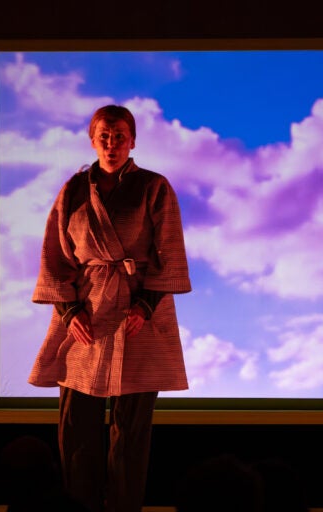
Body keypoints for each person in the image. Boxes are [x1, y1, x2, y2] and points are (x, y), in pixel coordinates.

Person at [29, 104, 192, 512]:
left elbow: (168, 253)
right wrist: (69, 312)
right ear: (92, 140)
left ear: (133, 140)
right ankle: (78, 507)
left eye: (120, 135)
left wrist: (145, 305)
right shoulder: (73, 190)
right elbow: (55, 256)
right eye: (104, 134)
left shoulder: (154, 187)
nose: (111, 142)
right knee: (77, 425)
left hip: (140, 315)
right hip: (87, 309)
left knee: (131, 428)